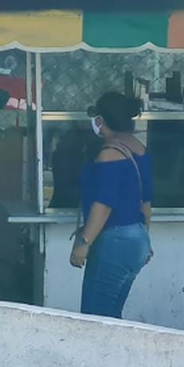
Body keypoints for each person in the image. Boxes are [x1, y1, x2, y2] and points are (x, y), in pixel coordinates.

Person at [70, 92, 153, 318]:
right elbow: (145, 203)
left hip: (114, 241)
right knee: (112, 315)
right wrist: (145, 238)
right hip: (136, 240)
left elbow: (104, 204)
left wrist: (84, 242)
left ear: (101, 121)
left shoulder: (109, 154)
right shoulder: (139, 149)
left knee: (96, 319)